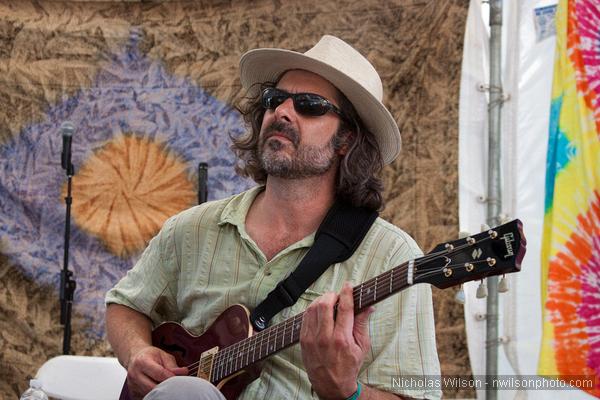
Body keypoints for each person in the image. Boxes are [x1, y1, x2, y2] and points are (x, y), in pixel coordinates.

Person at [105, 35, 441, 400]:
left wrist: (348, 391)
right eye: (274, 99)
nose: (282, 112)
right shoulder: (192, 229)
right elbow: (126, 306)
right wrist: (138, 353)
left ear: (347, 139)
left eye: (310, 105)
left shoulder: (392, 257)